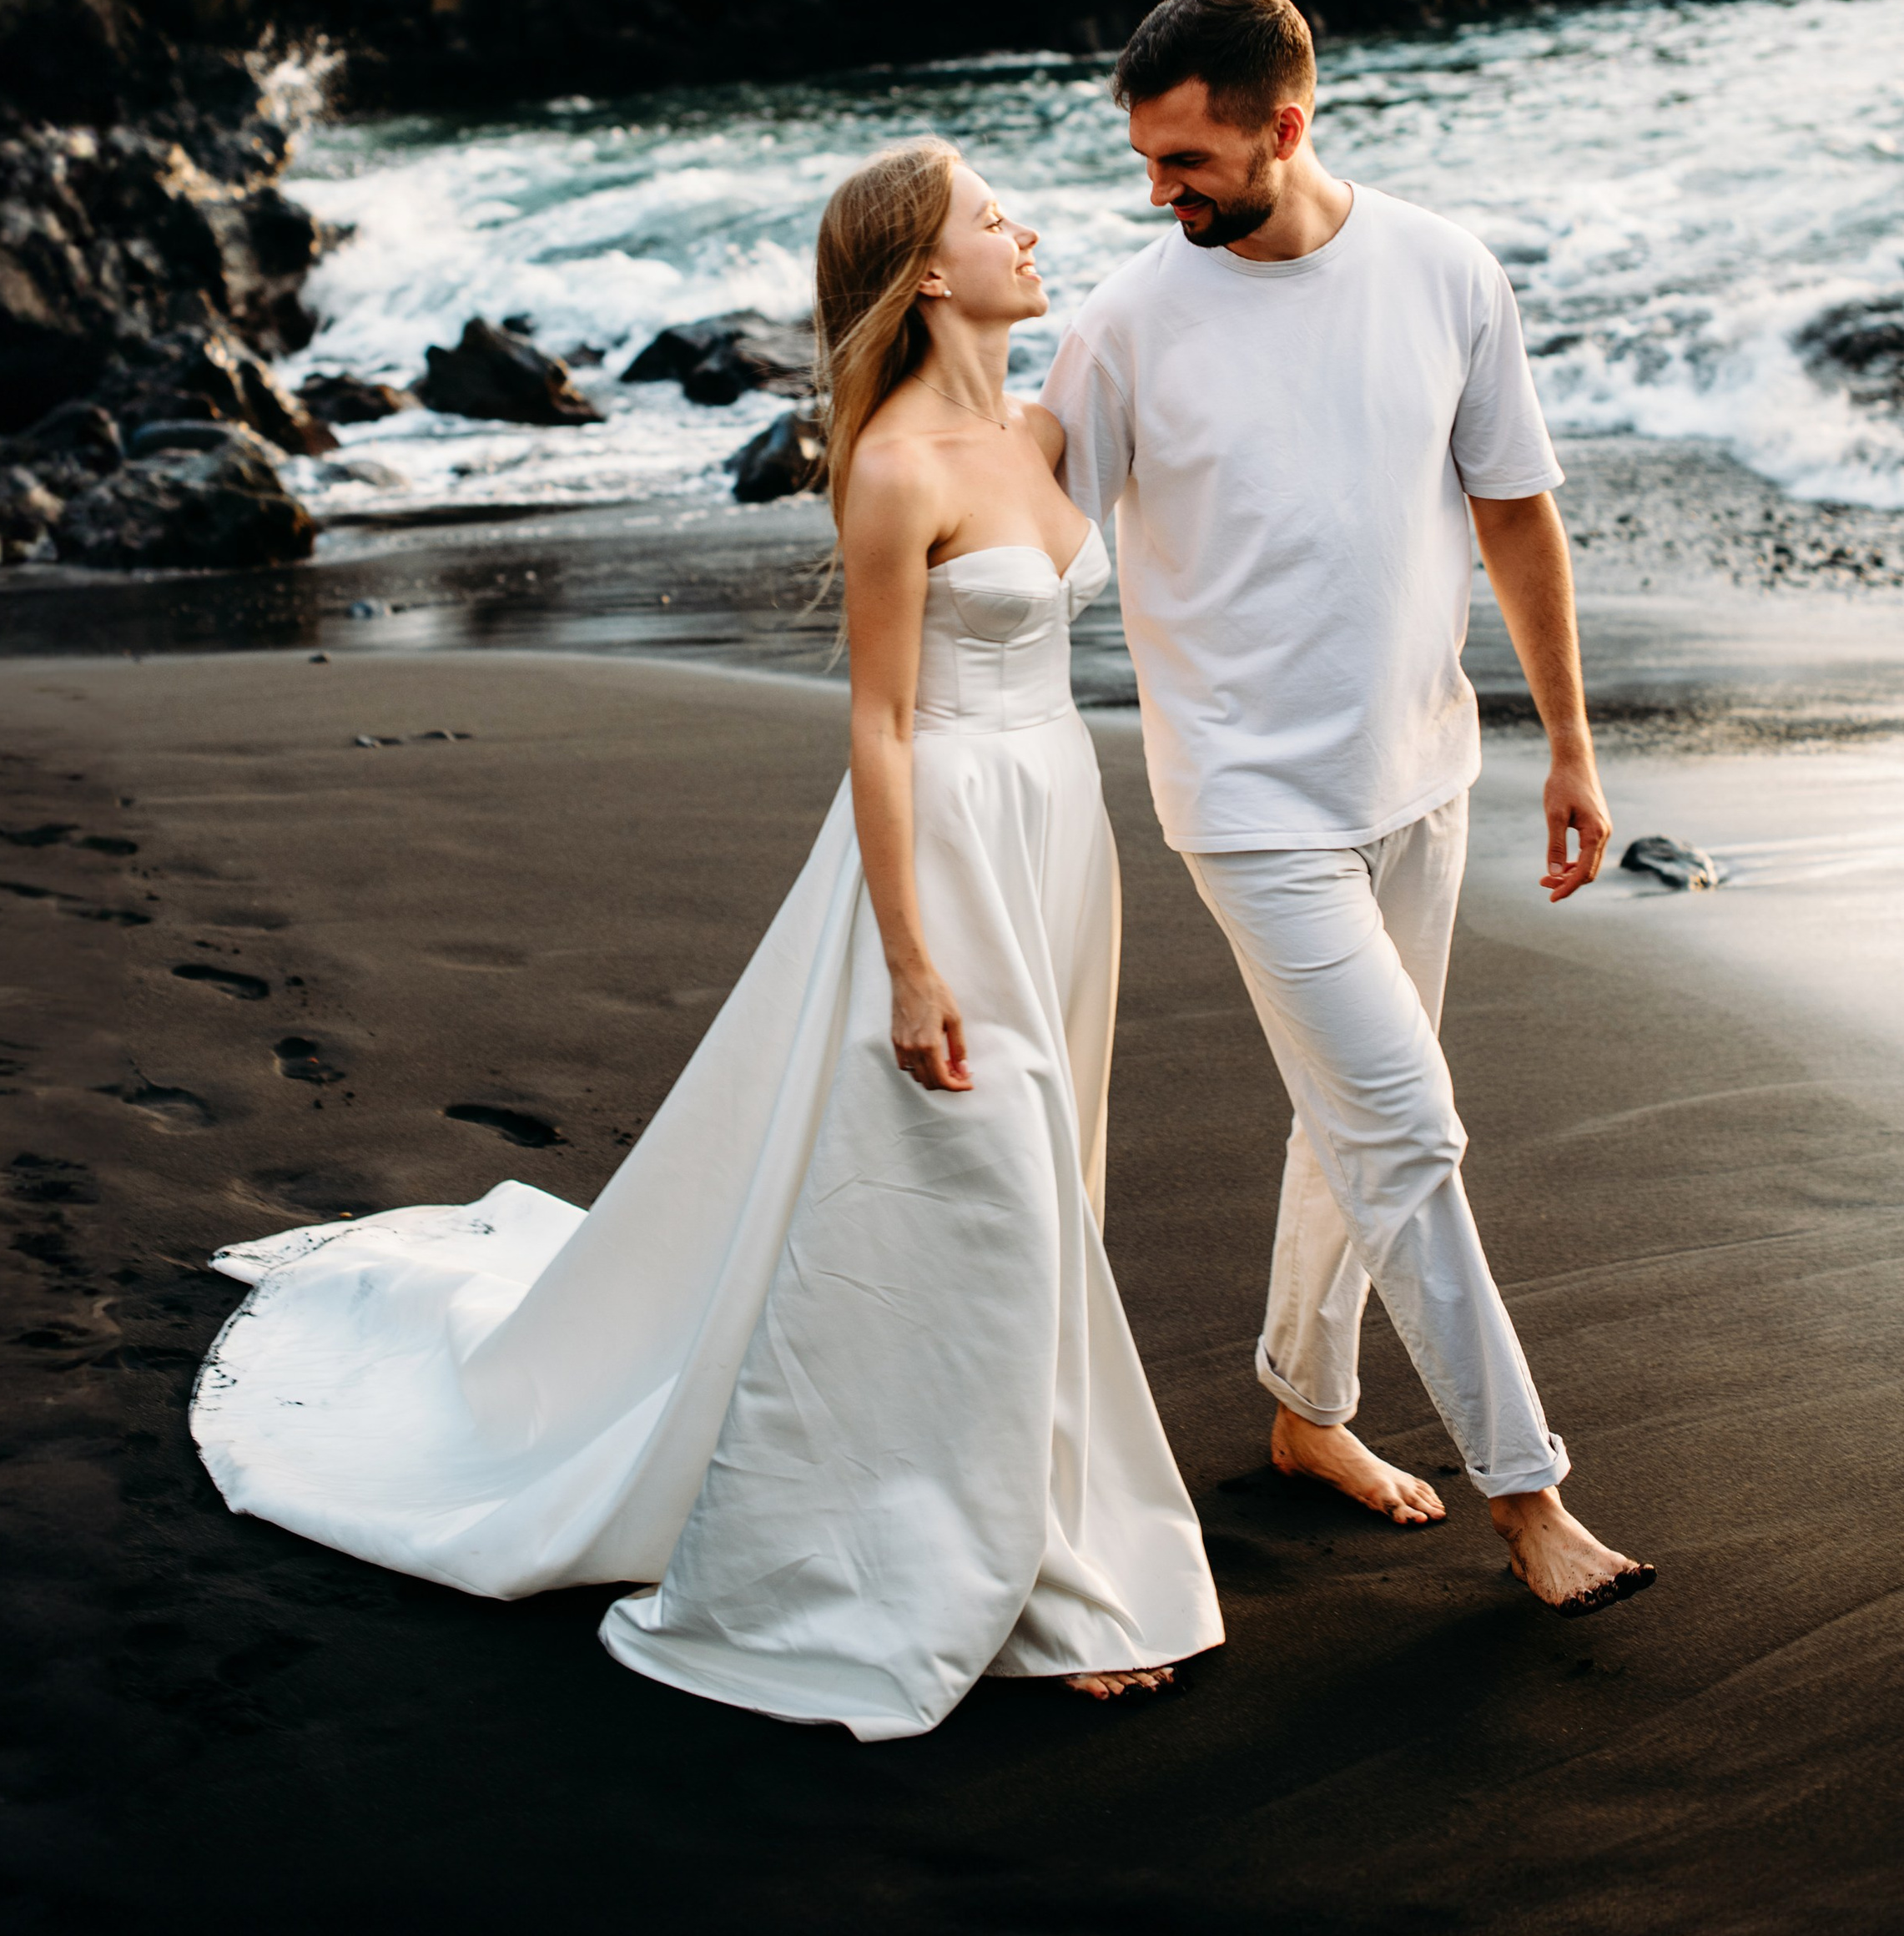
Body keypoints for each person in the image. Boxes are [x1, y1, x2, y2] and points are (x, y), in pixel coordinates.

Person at [191, 138, 1222, 1737]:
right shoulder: (893, 466)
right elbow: (879, 729)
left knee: (1046, 1182)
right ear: (928, 274)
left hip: (1057, 838)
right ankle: (1011, 1573)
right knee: (991, 1187)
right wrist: (911, 956)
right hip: (943, 841)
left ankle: (1032, 1513)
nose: (1029, 228)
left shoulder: (1041, 428)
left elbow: (1201, 351)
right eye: (989, 216)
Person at [1042, 0, 1656, 1620]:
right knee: (1405, 1130)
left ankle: (1304, 1410)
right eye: (1143, 163)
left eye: (1184, 162)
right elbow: (1028, 547)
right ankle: (1527, 1497)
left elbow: (1514, 513)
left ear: (1283, 128)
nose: (1155, 194)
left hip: (1422, 774)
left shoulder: (1438, 269)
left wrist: (1569, 749)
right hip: (1244, 802)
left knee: (1352, 1116)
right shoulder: (1117, 329)